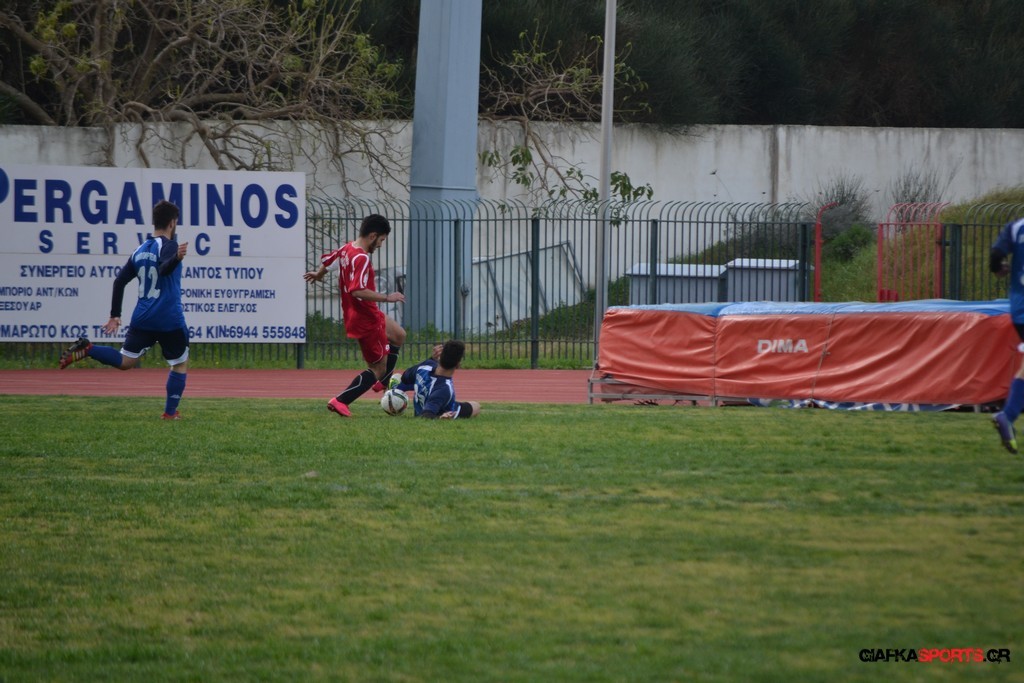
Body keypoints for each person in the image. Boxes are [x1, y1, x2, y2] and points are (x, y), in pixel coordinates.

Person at [59, 200, 190, 420]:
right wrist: (176, 258)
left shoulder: (140, 250)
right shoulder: (169, 246)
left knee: (125, 361)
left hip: (143, 317)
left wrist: (115, 315)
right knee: (179, 363)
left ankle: (88, 348)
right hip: (168, 318)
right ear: (172, 223)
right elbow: (163, 269)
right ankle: (170, 413)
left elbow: (119, 281)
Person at [304, 214, 406, 418]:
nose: (381, 245)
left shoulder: (348, 248)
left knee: (398, 335)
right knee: (377, 368)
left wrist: (319, 274)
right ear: (373, 236)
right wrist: (388, 297)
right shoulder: (361, 258)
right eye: (381, 240)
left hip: (363, 313)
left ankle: (383, 382)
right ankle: (341, 400)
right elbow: (357, 290)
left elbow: (330, 261)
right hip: (365, 318)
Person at [991, 216, 1024, 454]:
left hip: (1019, 308)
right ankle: (1008, 415)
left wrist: (1000, 268)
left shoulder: (1017, 227)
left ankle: (1008, 416)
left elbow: (996, 255)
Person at [395, 339, 481, 419]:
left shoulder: (424, 367)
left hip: (428, 399)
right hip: (444, 407)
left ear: (440, 356)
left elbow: (405, 377)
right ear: (458, 364)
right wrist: (440, 417)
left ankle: (394, 390)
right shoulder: (444, 388)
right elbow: (426, 415)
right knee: (476, 406)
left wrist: (431, 359)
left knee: (475, 405)